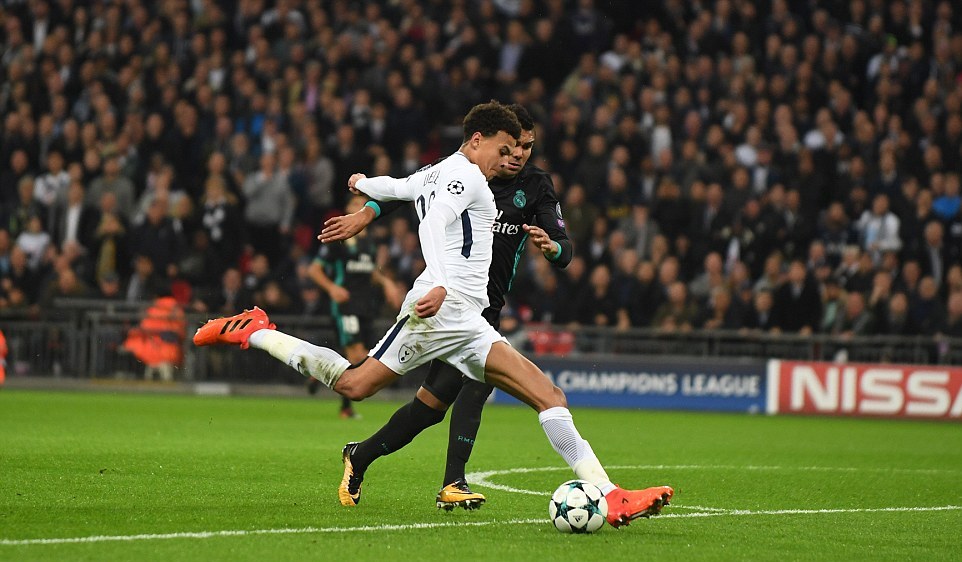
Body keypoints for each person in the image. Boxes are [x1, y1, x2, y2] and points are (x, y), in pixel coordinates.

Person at [194, 101, 673, 528]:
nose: (509, 159)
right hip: (439, 311)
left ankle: (610, 495)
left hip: (470, 320)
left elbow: (400, 187)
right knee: (354, 385)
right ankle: (257, 331)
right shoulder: (468, 177)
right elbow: (434, 223)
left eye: (518, 151)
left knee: (549, 395)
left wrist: (363, 186)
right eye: (504, 149)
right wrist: (440, 280)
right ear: (477, 139)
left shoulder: (441, 170)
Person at [318, 104, 573, 510]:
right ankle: (453, 482)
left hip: (484, 308)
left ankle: (360, 455)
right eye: (512, 146)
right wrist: (366, 212)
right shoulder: (463, 170)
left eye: (527, 147)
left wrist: (553, 247)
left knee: (431, 408)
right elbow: (407, 189)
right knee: (461, 389)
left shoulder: (537, 185)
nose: (518, 154)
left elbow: (564, 248)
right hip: (446, 303)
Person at [306, 194, 402, 419]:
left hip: (365, 305)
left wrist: (387, 283)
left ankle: (319, 373)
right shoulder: (339, 237)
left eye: (363, 204)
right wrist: (332, 288)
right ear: (348, 209)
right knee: (358, 355)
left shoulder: (369, 242)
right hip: (345, 305)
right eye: (355, 204)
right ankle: (346, 408)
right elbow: (314, 269)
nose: (360, 208)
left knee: (357, 355)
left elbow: (371, 271)